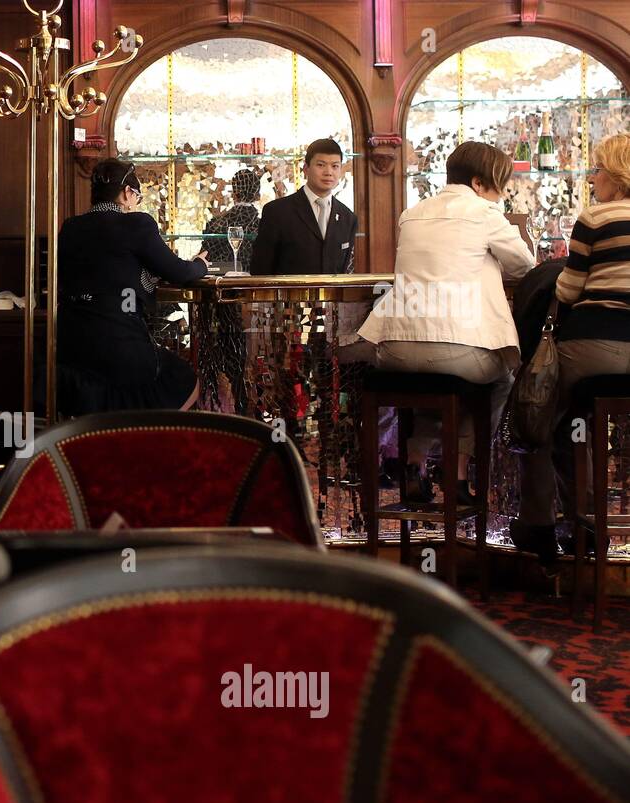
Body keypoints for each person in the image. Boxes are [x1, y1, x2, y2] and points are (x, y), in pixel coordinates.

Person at [358, 141, 534, 503]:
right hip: (454, 348)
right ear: (480, 183)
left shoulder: (412, 213)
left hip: (393, 348)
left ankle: (415, 461)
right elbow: (524, 265)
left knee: (433, 384)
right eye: (499, 186)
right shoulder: (484, 213)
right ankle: (457, 473)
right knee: (499, 379)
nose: (500, 196)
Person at [513, 133, 630, 563]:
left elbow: (568, 287)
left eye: (597, 169)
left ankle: (544, 524)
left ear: (617, 176)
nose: (592, 178)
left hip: (596, 345)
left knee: (541, 415)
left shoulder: (596, 219)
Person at [56, 158, 208, 416]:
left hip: (73, 348)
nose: (136, 203)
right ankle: (143, 440)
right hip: (120, 343)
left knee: (110, 397)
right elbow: (180, 272)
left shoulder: (70, 228)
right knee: (187, 380)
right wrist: (200, 264)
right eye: (137, 196)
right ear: (127, 193)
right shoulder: (136, 224)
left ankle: (115, 441)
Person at [200, 168, 262, 413]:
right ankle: (253, 412)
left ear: (234, 191)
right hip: (256, 302)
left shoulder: (217, 222)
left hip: (220, 300)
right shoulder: (262, 223)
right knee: (254, 360)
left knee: (229, 357)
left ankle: (230, 411)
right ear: (257, 193)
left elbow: (205, 261)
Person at [250, 138, 358, 275]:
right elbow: (260, 270)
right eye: (321, 165)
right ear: (306, 169)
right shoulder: (277, 212)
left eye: (335, 166)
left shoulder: (348, 218)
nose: (328, 172)